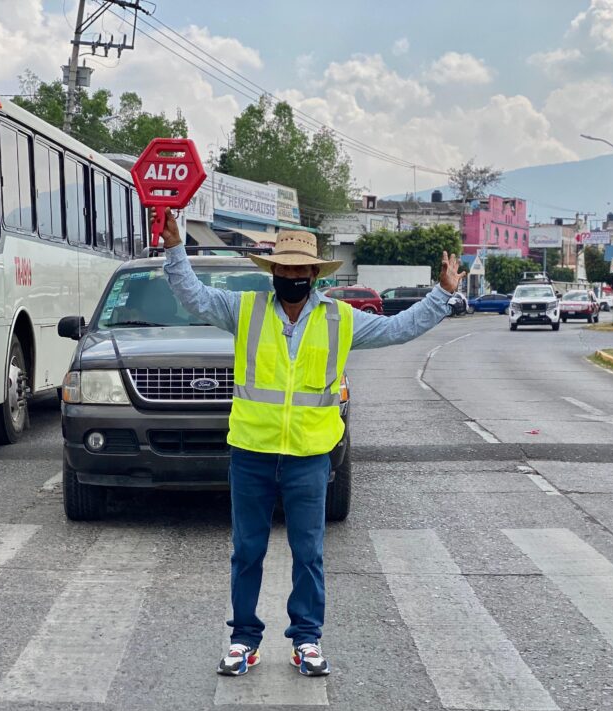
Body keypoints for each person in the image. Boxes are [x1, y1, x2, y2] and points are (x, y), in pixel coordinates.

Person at [158, 211, 467, 677]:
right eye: (284, 269)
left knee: (309, 554)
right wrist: (174, 248)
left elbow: (398, 329)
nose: (292, 276)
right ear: (273, 272)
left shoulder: (340, 319)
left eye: (300, 269)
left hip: (309, 458)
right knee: (247, 552)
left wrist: (442, 294)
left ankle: (306, 639)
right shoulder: (245, 310)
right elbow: (193, 296)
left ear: (314, 274)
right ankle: (244, 640)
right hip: (252, 454)